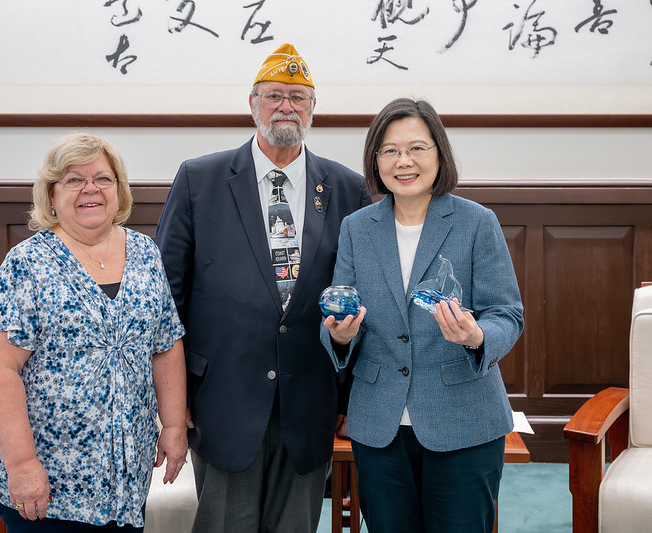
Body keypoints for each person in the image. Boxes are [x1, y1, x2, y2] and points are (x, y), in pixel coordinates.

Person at [155, 43, 371, 533]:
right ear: (252, 103)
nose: (286, 106)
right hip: (222, 400)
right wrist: (173, 399)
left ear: (313, 107)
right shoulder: (199, 180)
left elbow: (361, 297)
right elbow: (166, 298)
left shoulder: (346, 189)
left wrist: (347, 398)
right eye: (274, 95)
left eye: (298, 96)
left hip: (312, 400)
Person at [321, 98, 524, 533]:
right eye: (390, 150)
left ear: (439, 154)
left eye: (417, 147)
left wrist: (476, 336)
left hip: (465, 420)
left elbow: (507, 314)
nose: (404, 161)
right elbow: (342, 312)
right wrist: (339, 336)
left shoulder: (476, 222)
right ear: (375, 161)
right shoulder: (357, 227)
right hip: (380, 425)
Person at [0, 132, 187, 532]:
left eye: (103, 179)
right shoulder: (26, 264)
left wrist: (173, 427)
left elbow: (166, 344)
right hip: (49, 487)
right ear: (52, 196)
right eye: (74, 180)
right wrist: (22, 465)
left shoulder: (145, 253)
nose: (90, 189)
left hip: (126, 480)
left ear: (119, 190)